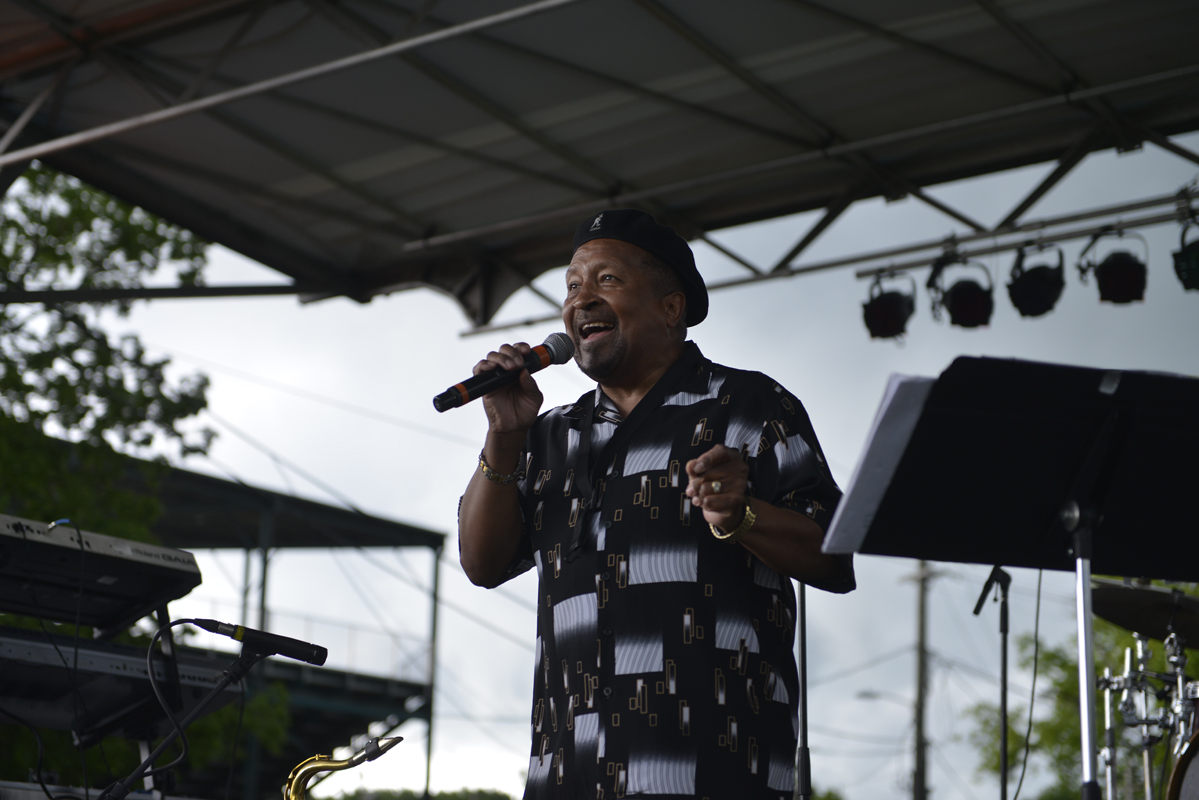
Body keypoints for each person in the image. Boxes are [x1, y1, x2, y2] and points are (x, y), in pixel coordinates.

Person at [458, 209, 855, 800]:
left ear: (671, 309)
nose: (581, 299)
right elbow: (481, 564)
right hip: (569, 774)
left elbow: (835, 556)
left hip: (714, 772)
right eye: (572, 285)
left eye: (607, 280)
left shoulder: (747, 404)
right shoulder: (548, 435)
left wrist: (741, 515)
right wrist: (504, 436)